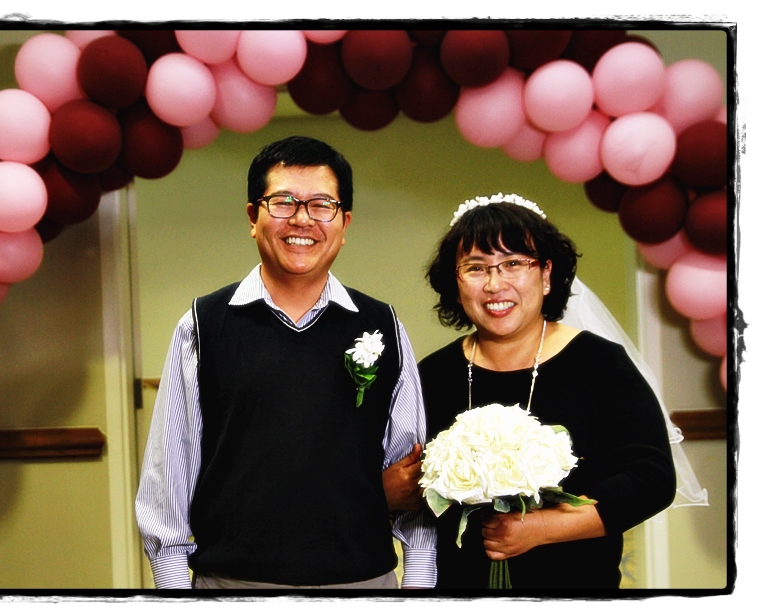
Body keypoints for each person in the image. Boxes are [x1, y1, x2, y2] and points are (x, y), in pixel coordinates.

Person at [135, 135, 435, 590]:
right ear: (253, 218)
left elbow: (411, 477)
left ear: (344, 223)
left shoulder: (382, 325)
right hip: (232, 584)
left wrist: (419, 584)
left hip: (362, 582)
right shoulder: (203, 324)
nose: (302, 219)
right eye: (283, 202)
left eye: (321, 205)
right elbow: (169, 475)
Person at [418, 193, 677, 590]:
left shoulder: (600, 363)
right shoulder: (432, 374)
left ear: (546, 274)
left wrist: (541, 528)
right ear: (455, 284)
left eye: (513, 264)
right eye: (475, 268)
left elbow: (651, 480)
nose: (494, 284)